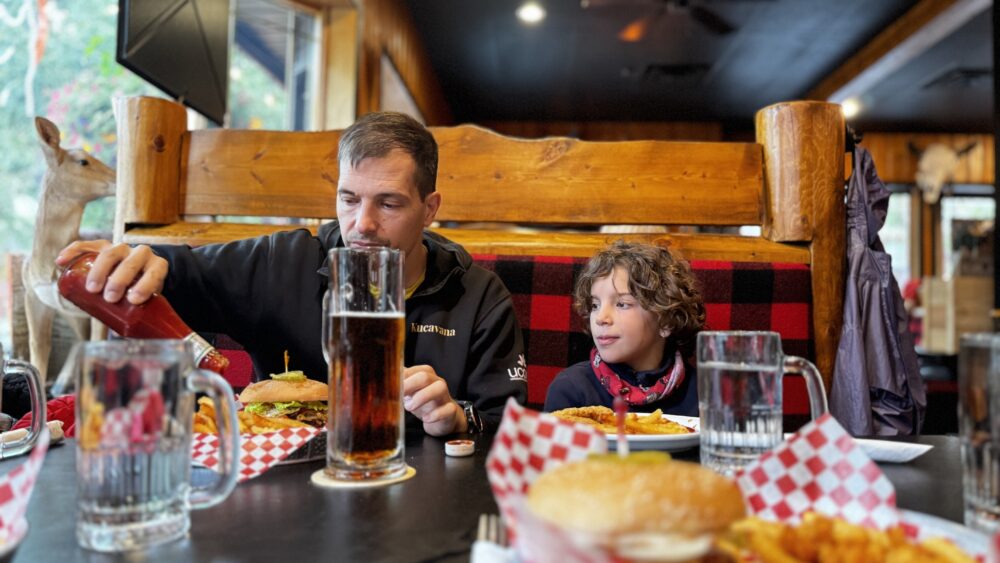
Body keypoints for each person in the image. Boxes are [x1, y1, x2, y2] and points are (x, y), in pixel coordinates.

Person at [56, 111, 527, 435]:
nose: (362, 223)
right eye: (348, 198)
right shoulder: (283, 262)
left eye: (388, 203)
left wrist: (456, 416)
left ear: (429, 209)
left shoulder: (480, 295)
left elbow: (507, 421)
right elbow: (182, 277)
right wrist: (143, 260)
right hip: (282, 491)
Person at [543, 241, 704, 415]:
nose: (601, 318)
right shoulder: (571, 389)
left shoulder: (703, 392)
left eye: (622, 304)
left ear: (666, 321)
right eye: (595, 305)